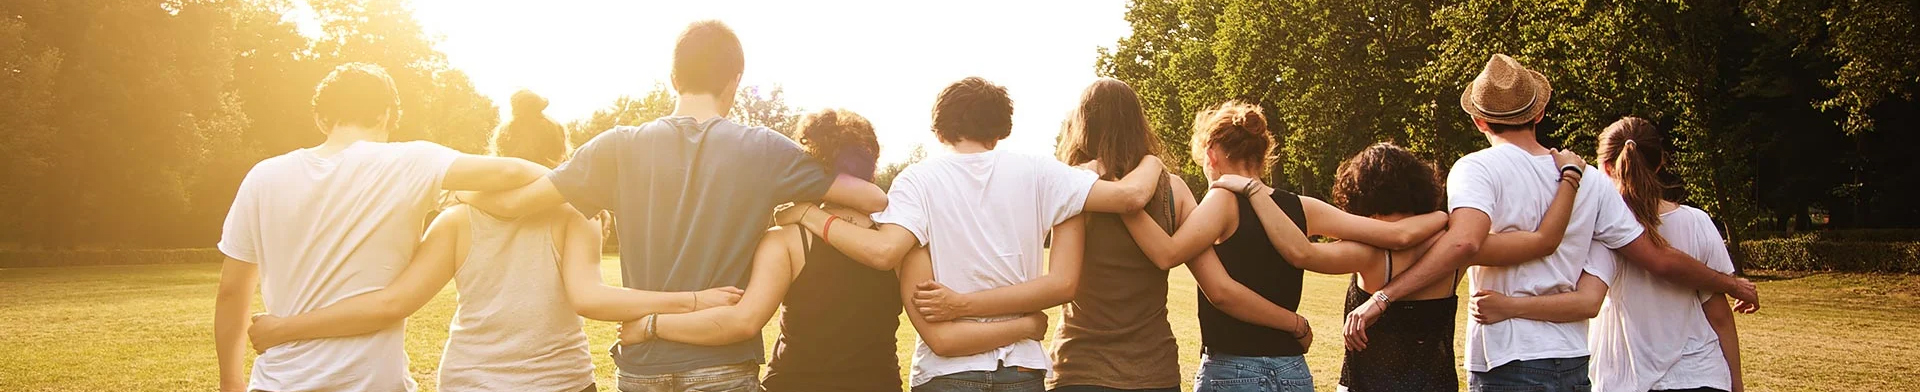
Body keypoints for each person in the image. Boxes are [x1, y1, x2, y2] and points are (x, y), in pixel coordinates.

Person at [457, 21, 890, 391]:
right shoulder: (764, 150)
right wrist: (803, 212)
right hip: (723, 365)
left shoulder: (616, 147)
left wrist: (460, 189)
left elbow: (513, 205)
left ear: (673, 78)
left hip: (642, 365)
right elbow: (872, 197)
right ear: (735, 80)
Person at [240, 90, 743, 392]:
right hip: (559, 383)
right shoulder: (576, 214)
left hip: (468, 382)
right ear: (561, 157)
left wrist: (287, 327)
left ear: (498, 154)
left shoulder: (456, 219)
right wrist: (693, 299)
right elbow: (590, 298)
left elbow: (394, 302)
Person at [1342, 54, 1760, 392]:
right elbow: (1659, 259)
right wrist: (1730, 283)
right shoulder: (1590, 180)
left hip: (1508, 358)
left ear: (1479, 121)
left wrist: (1383, 298)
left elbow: (1465, 243)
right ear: (1539, 112)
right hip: (1573, 357)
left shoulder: (1476, 168)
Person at [777, 76, 1167, 391]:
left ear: (939, 129)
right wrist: (1152, 160)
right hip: (1020, 369)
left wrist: (808, 213)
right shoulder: (1039, 171)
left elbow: (885, 253)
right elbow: (1130, 197)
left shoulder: (916, 180)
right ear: (999, 130)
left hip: (946, 374)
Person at [212, 63, 557, 392]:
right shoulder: (410, 162)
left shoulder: (263, 176)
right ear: (387, 114)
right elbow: (513, 172)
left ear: (321, 118)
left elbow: (231, 290)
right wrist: (572, 187)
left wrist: (230, 382)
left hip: (278, 381)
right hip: (370, 382)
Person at [1204, 142, 1585, 392]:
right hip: (1436, 384)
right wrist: (1570, 177)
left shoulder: (1366, 253)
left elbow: (1299, 252)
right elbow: (1542, 241)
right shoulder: (1453, 245)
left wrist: (1254, 191)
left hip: (1367, 383)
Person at [1112, 102, 1437, 392]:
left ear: (1211, 154)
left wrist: (1121, 198)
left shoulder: (1221, 200)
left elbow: (1174, 259)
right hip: (1291, 370)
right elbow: (1396, 235)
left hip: (1233, 370)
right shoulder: (1303, 207)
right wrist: (1443, 217)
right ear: (1262, 155)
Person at [609, 108, 909, 392]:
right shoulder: (899, 241)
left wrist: (652, 325)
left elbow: (743, 322)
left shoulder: (785, 241)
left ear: (811, 165)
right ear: (872, 163)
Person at [1471, 117, 1745, 392]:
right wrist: (1736, 384)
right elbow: (1719, 316)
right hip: (1701, 374)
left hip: (1627, 380)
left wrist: (1509, 306)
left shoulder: (1605, 228)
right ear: (1660, 163)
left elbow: (1588, 301)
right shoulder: (1697, 222)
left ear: (1604, 166)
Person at [1045, 78, 1183, 392]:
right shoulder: (1173, 189)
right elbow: (1215, 284)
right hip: (1155, 369)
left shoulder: (1070, 188)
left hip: (1079, 368)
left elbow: (1060, 281)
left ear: (1082, 126)